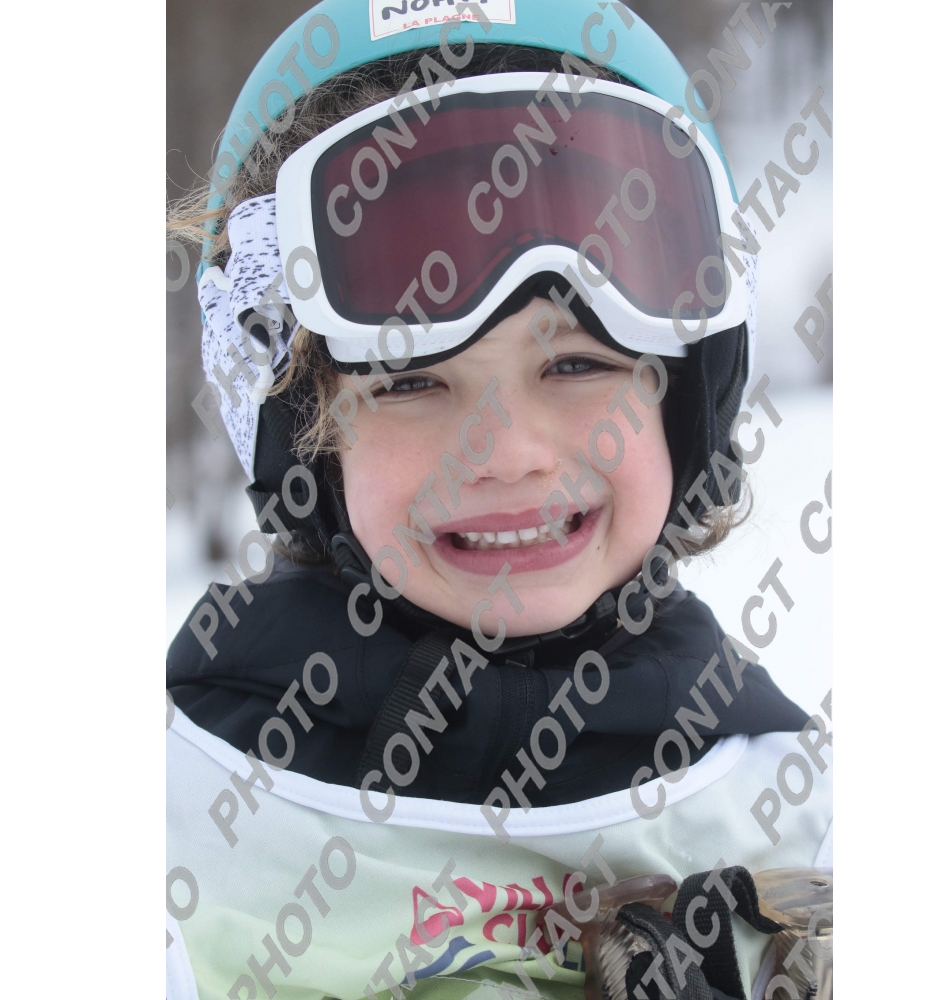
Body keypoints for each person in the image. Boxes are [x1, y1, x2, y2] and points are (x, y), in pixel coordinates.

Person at [166, 3, 832, 998]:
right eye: (408, 382)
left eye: (575, 363)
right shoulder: (188, 808)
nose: (508, 452)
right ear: (308, 437)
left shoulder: (788, 801)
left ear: (684, 399)